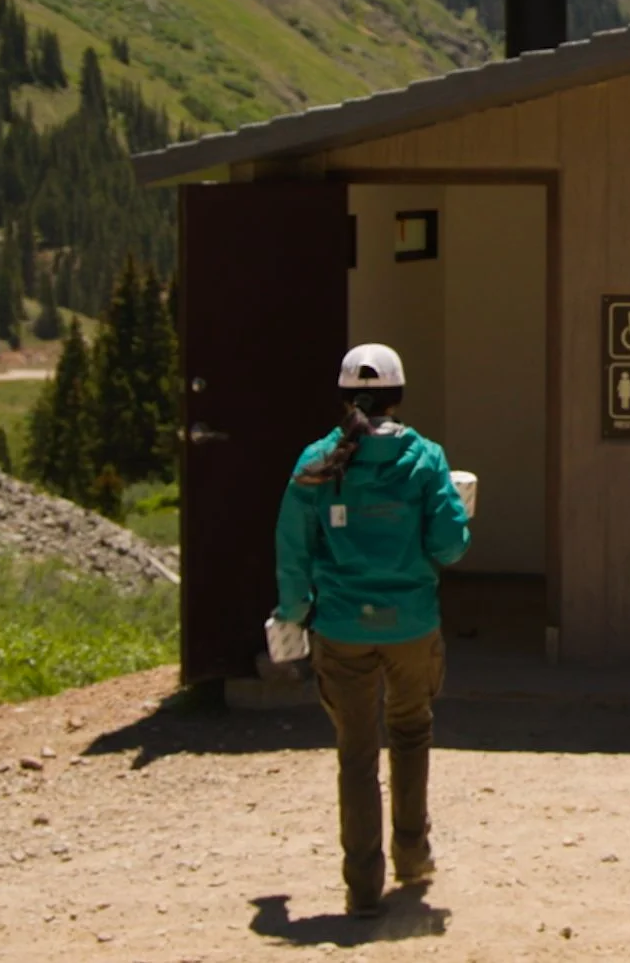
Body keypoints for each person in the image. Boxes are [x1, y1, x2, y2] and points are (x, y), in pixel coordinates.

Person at [275, 343, 471, 918]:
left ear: (343, 397)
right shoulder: (427, 458)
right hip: (412, 626)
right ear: (399, 396)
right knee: (411, 733)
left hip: (340, 628)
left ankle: (363, 887)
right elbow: (449, 546)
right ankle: (412, 854)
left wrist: (293, 611)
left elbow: (292, 547)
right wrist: (460, 509)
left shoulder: (318, 459)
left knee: (356, 755)